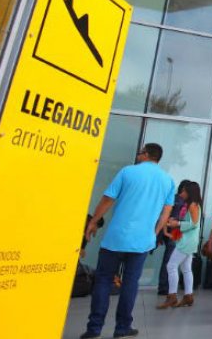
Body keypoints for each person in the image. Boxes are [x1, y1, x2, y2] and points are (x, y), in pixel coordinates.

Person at [81, 143, 175, 339]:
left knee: (103, 281)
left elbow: (108, 199)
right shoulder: (168, 180)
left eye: (140, 152)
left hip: (116, 238)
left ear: (146, 154)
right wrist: (155, 231)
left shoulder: (128, 172)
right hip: (141, 241)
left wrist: (93, 222)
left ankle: (94, 329)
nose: (138, 155)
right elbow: (166, 212)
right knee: (130, 283)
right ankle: (123, 327)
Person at [158, 181, 202, 309]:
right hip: (188, 240)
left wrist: (176, 224)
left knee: (171, 266)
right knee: (186, 269)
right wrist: (177, 222)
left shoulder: (193, 205)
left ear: (189, 192)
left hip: (187, 241)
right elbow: (191, 222)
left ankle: (172, 296)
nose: (181, 193)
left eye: (183, 191)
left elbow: (193, 224)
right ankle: (188, 296)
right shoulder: (192, 205)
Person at [157, 180, 190, 296]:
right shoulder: (180, 202)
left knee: (169, 260)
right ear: (184, 189)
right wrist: (165, 231)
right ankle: (165, 287)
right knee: (170, 261)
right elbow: (169, 216)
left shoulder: (174, 199)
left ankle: (165, 286)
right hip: (173, 234)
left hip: (169, 233)